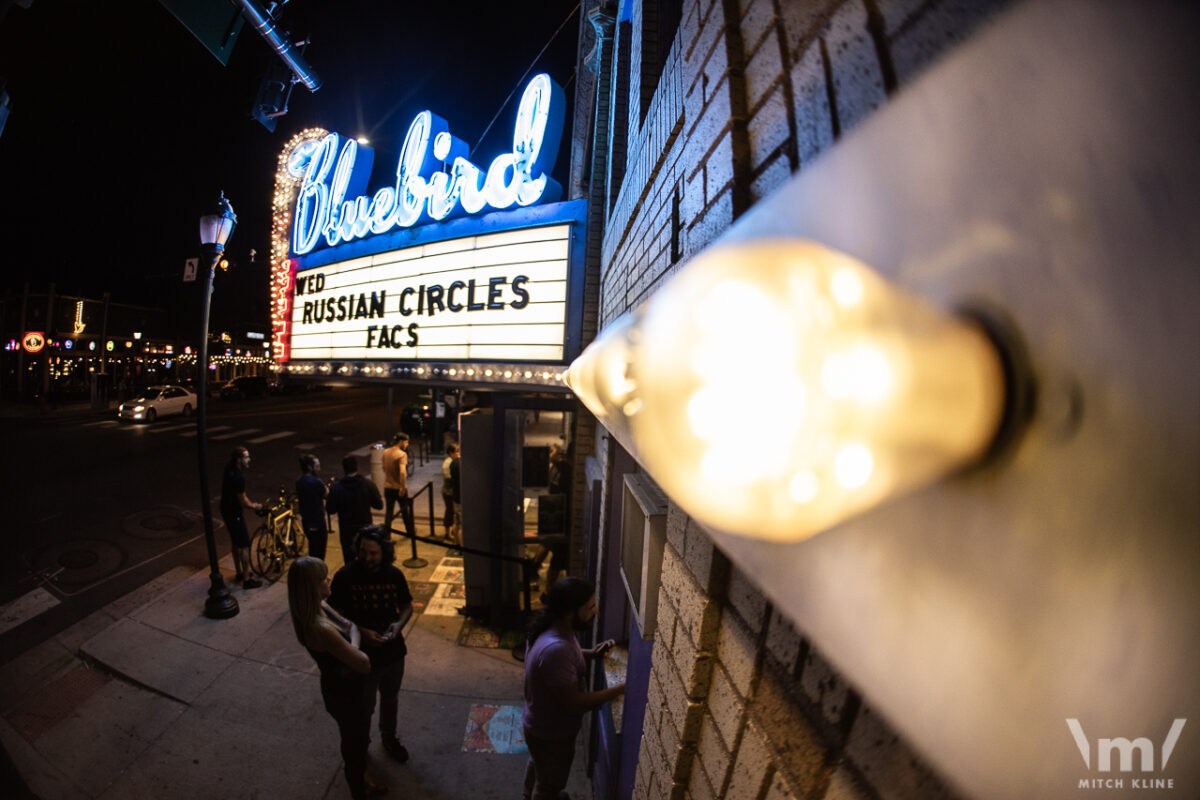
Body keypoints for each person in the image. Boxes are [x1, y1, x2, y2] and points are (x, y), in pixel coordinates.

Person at [287, 557, 386, 799]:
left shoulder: (319, 607)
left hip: (339, 686)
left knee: (354, 738)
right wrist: (353, 649)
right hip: (346, 695)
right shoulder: (319, 627)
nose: (329, 579)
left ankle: (362, 779)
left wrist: (348, 646)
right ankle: (359, 789)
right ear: (312, 587)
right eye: (323, 578)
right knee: (354, 744)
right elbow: (363, 663)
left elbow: (351, 626)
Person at [522, 577, 623, 800]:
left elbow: (563, 658)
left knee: (539, 766)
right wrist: (620, 688)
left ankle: (527, 794)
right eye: (589, 607)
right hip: (551, 735)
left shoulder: (550, 626)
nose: (596, 611)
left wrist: (592, 654)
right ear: (570, 612)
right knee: (549, 787)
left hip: (539, 727)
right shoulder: (557, 649)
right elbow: (575, 703)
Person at [329, 525, 414, 764]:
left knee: (390, 698)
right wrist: (360, 631)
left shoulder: (394, 575)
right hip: (361, 657)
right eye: (363, 551)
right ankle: (362, 744)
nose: (367, 557)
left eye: (373, 553)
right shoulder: (345, 577)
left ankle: (389, 738)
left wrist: (398, 626)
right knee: (364, 706)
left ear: (384, 552)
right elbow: (334, 614)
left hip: (393, 653)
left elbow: (406, 606)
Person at [219, 446, 263, 589]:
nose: (249, 460)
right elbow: (242, 499)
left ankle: (238, 572)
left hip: (225, 509)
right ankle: (246, 578)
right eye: (246, 457)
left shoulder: (229, 468)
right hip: (234, 512)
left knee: (235, 541)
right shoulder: (238, 477)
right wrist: (254, 506)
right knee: (244, 544)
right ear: (239, 460)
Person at [326, 456, 383, 565]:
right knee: (366, 558)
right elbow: (379, 505)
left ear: (344, 468)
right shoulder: (367, 484)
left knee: (349, 560)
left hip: (346, 529)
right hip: (365, 527)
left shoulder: (336, 488)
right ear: (357, 467)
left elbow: (330, 509)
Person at [296, 453, 329, 561]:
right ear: (310, 467)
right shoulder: (316, 482)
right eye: (317, 466)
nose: (319, 469)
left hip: (306, 521)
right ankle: (318, 573)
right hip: (317, 521)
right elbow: (326, 494)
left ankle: (314, 572)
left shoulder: (300, 481)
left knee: (313, 548)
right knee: (319, 551)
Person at [382, 433, 415, 541]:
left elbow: (383, 468)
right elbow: (402, 472)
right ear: (401, 441)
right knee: (405, 511)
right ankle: (410, 532)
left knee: (389, 513)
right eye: (406, 442)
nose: (407, 444)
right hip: (398, 487)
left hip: (387, 486)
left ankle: (387, 535)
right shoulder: (402, 454)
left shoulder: (386, 452)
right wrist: (402, 487)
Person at [440, 443, 461, 544]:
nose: (458, 453)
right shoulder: (448, 463)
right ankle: (447, 533)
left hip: (451, 491)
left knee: (452, 513)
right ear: (451, 453)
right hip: (448, 492)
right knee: (450, 512)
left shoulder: (453, 461)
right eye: (456, 451)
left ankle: (453, 533)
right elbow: (449, 479)